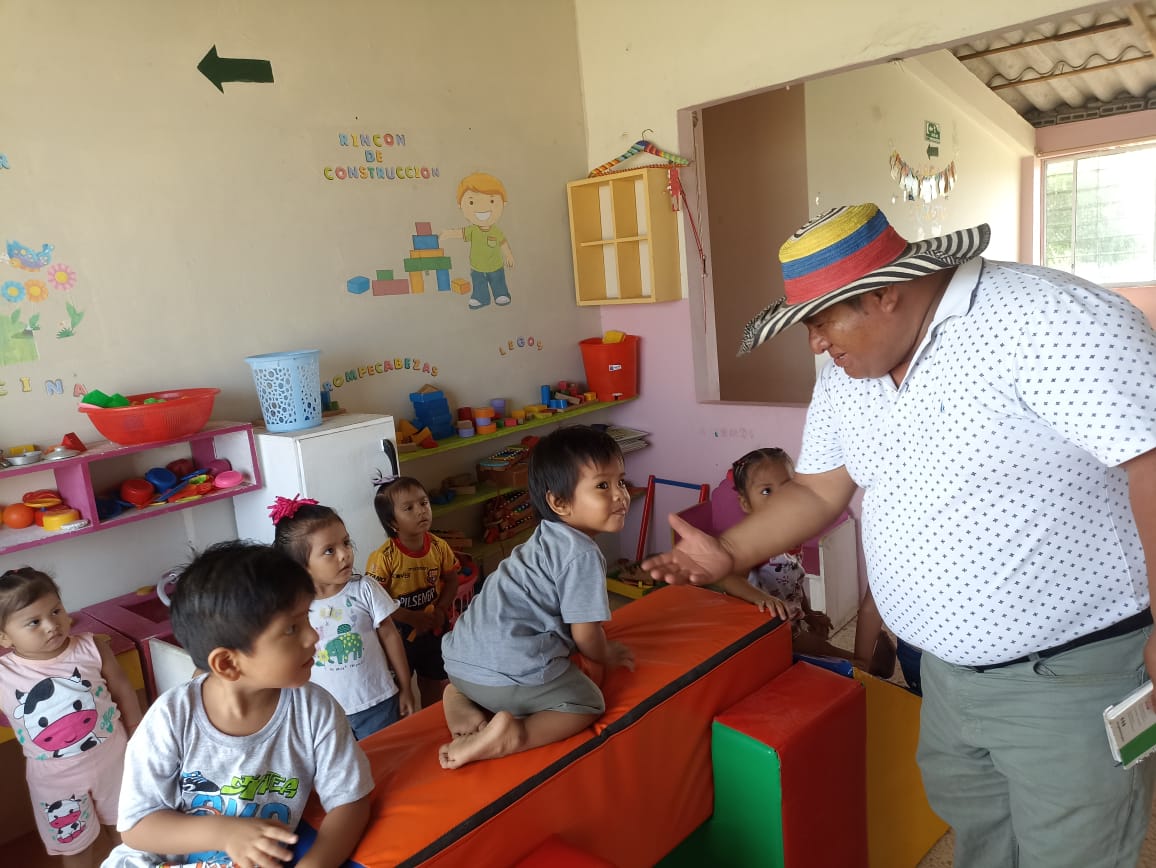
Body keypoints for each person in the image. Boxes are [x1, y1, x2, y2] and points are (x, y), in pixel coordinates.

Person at [642, 203, 1156, 868]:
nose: (815, 344)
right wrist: (731, 551)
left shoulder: (1049, 319)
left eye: (822, 320)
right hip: (943, 674)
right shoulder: (848, 375)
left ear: (885, 293)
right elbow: (819, 488)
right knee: (980, 839)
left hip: (1067, 675)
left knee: (1073, 853)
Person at [103, 541, 373, 868]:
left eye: (307, 618)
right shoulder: (171, 718)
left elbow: (351, 802)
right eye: (291, 628)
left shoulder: (315, 711)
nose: (313, 636)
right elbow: (137, 827)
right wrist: (226, 833)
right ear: (228, 664)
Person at [438, 425, 635, 769]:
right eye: (603, 485)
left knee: (477, 676)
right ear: (559, 502)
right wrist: (606, 654)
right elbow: (586, 635)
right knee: (587, 703)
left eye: (621, 481)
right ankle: (514, 735)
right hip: (508, 671)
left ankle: (457, 697)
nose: (621, 495)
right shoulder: (582, 554)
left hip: (459, 663)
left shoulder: (544, 536)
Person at [0, 567, 142, 868]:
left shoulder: (92, 647)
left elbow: (122, 689)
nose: (51, 625)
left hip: (114, 762)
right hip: (56, 783)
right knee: (76, 849)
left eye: (56, 611)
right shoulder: (4, 675)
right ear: (4, 636)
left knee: (126, 832)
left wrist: (136, 732)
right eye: (34, 622)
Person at [713, 447, 896, 676]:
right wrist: (763, 599)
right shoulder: (752, 542)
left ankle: (865, 668)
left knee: (820, 648)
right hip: (763, 636)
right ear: (746, 503)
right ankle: (866, 667)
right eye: (767, 491)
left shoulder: (791, 538)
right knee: (827, 653)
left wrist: (809, 613)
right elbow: (727, 578)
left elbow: (793, 582)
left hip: (789, 624)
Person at [270, 495, 416, 739]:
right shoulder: (293, 608)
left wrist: (406, 687)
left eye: (346, 543)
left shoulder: (365, 589)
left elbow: (391, 636)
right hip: (324, 714)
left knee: (385, 757)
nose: (344, 554)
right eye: (329, 550)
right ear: (300, 566)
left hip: (378, 703)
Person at [365, 477, 461, 709]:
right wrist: (410, 617)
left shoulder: (439, 547)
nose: (421, 511)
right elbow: (376, 600)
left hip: (433, 627)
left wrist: (441, 609)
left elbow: (452, 580)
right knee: (401, 685)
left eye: (424, 503)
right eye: (409, 508)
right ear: (392, 522)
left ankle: (430, 721)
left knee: (433, 681)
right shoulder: (384, 557)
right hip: (399, 633)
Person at [440, 171, 515, 309]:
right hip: (477, 267)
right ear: (460, 206)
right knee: (479, 283)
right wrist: (449, 233)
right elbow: (461, 233)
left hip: (495, 266)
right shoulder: (473, 230)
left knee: (498, 280)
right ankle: (480, 298)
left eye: (491, 201)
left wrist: (509, 255)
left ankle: (501, 294)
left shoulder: (495, 231)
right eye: (472, 202)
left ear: (503, 203)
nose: (482, 208)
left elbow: (503, 243)